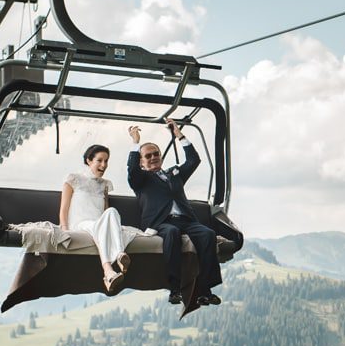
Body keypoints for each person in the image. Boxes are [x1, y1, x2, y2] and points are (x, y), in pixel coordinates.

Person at [127, 121, 223, 306]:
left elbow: (194, 160)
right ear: (142, 161)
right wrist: (135, 142)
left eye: (156, 154)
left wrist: (179, 134)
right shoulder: (141, 180)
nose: (153, 157)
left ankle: (204, 289)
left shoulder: (175, 174)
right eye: (148, 156)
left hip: (186, 220)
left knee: (208, 234)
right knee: (171, 233)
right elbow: (132, 171)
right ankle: (175, 288)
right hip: (160, 222)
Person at [59, 144, 132, 294]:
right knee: (98, 226)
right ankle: (108, 269)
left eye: (106, 161)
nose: (104, 165)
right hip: (80, 224)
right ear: (89, 160)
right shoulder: (74, 179)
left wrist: (110, 227)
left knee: (112, 211)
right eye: (99, 160)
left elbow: (105, 210)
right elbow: (64, 209)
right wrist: (65, 230)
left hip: (99, 223)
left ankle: (118, 257)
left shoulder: (105, 184)